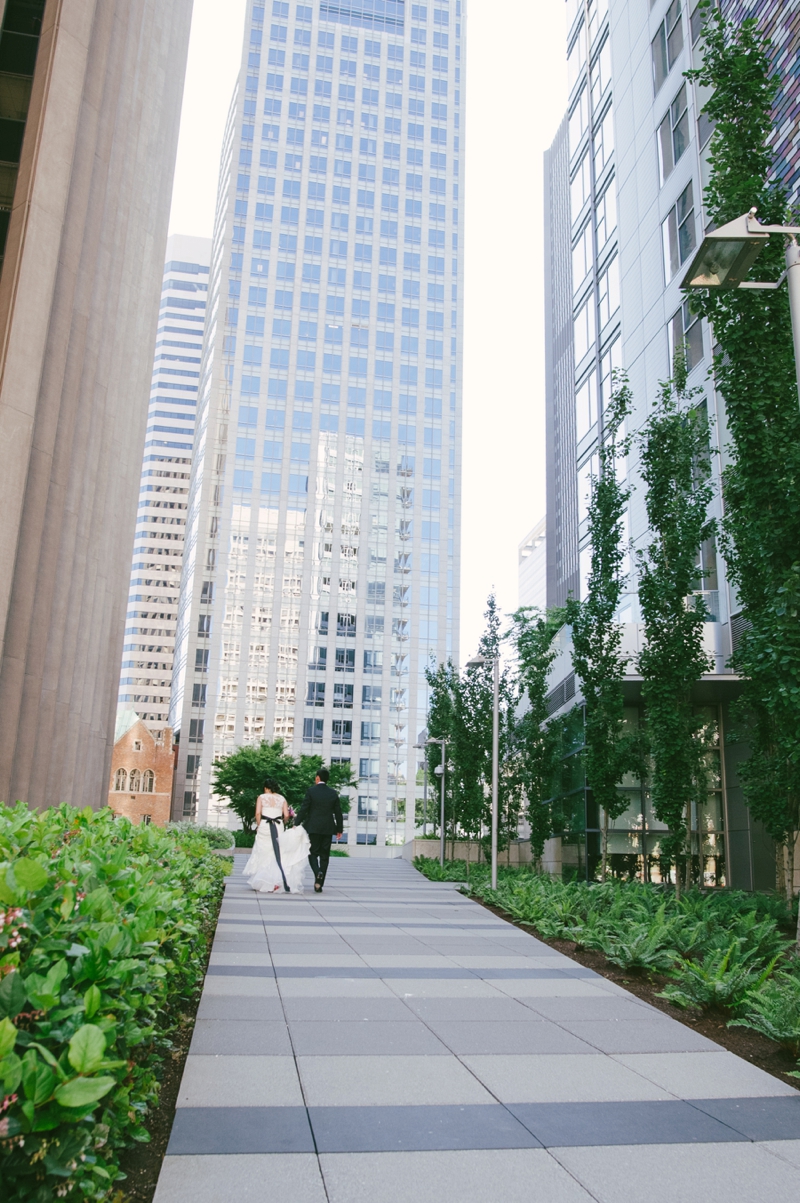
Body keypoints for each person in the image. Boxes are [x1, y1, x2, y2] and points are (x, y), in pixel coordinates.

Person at [243, 778, 310, 894]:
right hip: (278, 826)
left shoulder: (261, 797)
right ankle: (275, 880)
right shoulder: (282, 798)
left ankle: (263, 881)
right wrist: (282, 822)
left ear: (265, 788)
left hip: (265, 825)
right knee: (277, 852)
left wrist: (259, 825)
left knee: (263, 851)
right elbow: (286, 815)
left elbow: (258, 813)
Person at [297, 767, 343, 893]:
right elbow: (338, 812)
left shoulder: (311, 791)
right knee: (324, 856)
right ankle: (319, 884)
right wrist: (339, 829)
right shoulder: (333, 793)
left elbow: (304, 809)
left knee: (312, 853)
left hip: (313, 828)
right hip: (328, 828)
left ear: (318, 778)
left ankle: (318, 873)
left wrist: (296, 823)